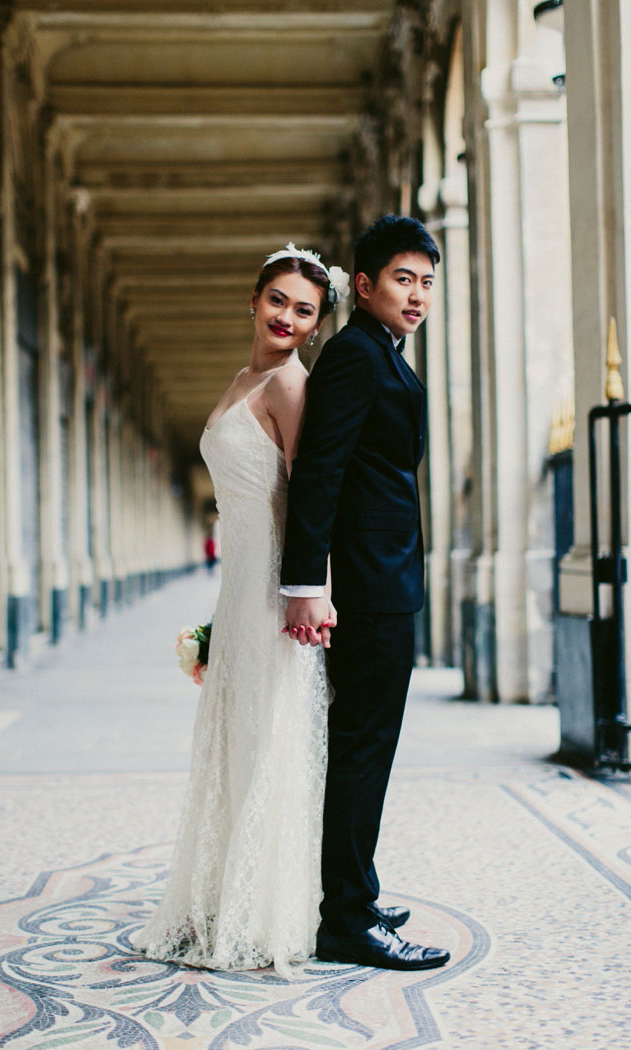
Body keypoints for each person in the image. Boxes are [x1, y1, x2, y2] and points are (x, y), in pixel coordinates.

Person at [132, 244, 349, 977]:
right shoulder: (241, 379)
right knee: (232, 735)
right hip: (238, 580)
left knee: (267, 735)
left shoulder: (291, 385)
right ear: (253, 301)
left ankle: (267, 912)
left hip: (272, 588)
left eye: (304, 311)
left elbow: (314, 493)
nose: (288, 317)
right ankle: (227, 893)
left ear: (316, 326)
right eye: (279, 301)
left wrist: (309, 590)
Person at [281, 215, 451, 971]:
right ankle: (345, 919)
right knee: (361, 751)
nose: (417, 296)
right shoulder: (354, 355)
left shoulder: (384, 352)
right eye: (403, 280)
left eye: (426, 283)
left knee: (366, 750)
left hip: (384, 578)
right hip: (365, 585)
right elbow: (320, 472)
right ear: (364, 285)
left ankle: (357, 890)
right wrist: (306, 584)